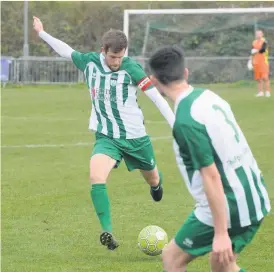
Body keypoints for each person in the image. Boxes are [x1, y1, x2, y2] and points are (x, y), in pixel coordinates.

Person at [33, 16, 175, 250]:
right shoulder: (89, 62)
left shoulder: (132, 68)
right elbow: (66, 51)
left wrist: (176, 125)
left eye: (120, 56)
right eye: (112, 57)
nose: (117, 61)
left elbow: (157, 98)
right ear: (103, 51)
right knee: (96, 177)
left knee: (153, 178)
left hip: (135, 138)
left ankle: (156, 186)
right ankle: (107, 231)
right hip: (106, 136)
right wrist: (41, 33)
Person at [148, 45, 271, 272]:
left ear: (155, 81)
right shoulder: (209, 97)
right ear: (186, 72)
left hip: (231, 204)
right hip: (253, 192)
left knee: (172, 258)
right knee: (222, 265)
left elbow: (211, 175)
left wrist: (221, 232)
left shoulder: (186, 120)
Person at [251, 30, 271, 97]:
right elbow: (252, 52)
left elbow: (263, 50)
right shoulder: (254, 42)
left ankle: (267, 92)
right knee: (258, 79)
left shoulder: (264, 41)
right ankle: (260, 92)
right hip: (256, 63)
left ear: (262, 34)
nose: (258, 35)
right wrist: (250, 61)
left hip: (263, 62)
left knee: (265, 78)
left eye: (259, 34)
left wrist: (256, 51)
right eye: (257, 34)